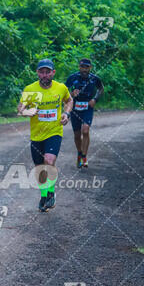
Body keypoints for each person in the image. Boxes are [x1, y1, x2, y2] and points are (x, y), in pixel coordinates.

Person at [18, 59, 73, 212]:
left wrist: (67, 114)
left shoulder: (61, 88)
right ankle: (44, 195)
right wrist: (28, 112)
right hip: (37, 135)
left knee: (49, 160)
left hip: (54, 132)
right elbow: (20, 108)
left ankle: (51, 193)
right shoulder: (30, 89)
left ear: (53, 73)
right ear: (37, 73)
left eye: (47, 72)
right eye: (41, 72)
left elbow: (69, 100)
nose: (44, 75)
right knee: (39, 168)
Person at [65, 58, 104, 168]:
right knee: (77, 135)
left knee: (85, 130)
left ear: (90, 68)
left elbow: (101, 89)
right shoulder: (72, 77)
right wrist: (72, 94)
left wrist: (95, 100)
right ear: (79, 67)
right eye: (82, 67)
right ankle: (79, 153)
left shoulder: (94, 79)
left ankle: (84, 156)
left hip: (87, 107)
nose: (84, 69)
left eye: (87, 67)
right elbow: (64, 92)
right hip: (75, 108)